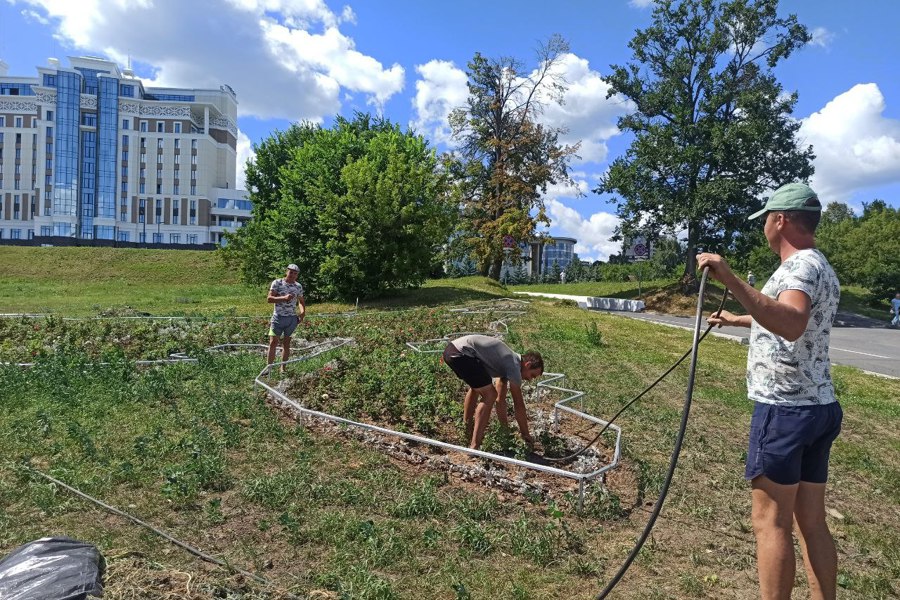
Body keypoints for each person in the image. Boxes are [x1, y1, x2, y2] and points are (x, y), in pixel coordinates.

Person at [696, 182, 842, 600]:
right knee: (811, 522)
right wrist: (737, 320)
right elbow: (796, 321)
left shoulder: (797, 267)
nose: (763, 226)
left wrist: (729, 277)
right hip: (818, 406)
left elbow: (793, 322)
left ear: (780, 219)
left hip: (786, 410)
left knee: (771, 523)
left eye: (765, 218)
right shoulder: (821, 266)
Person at [442, 334, 544, 450]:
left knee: (477, 388)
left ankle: (467, 432)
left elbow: (500, 401)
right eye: (532, 375)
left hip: (452, 350)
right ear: (528, 364)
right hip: (462, 353)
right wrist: (525, 434)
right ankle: (474, 447)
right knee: (489, 394)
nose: (529, 379)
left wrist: (504, 432)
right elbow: (518, 404)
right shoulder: (514, 366)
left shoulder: (507, 363)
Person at [266, 263, 305, 374]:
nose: (292, 275)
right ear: (286, 271)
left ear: (297, 275)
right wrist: (284, 298)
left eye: (295, 273)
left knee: (286, 344)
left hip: (291, 319)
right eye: (291, 272)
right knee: (273, 342)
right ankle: (268, 368)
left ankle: (283, 368)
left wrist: (302, 313)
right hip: (278, 317)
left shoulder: (298, 286)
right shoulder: (277, 283)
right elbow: (269, 299)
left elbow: (301, 301)